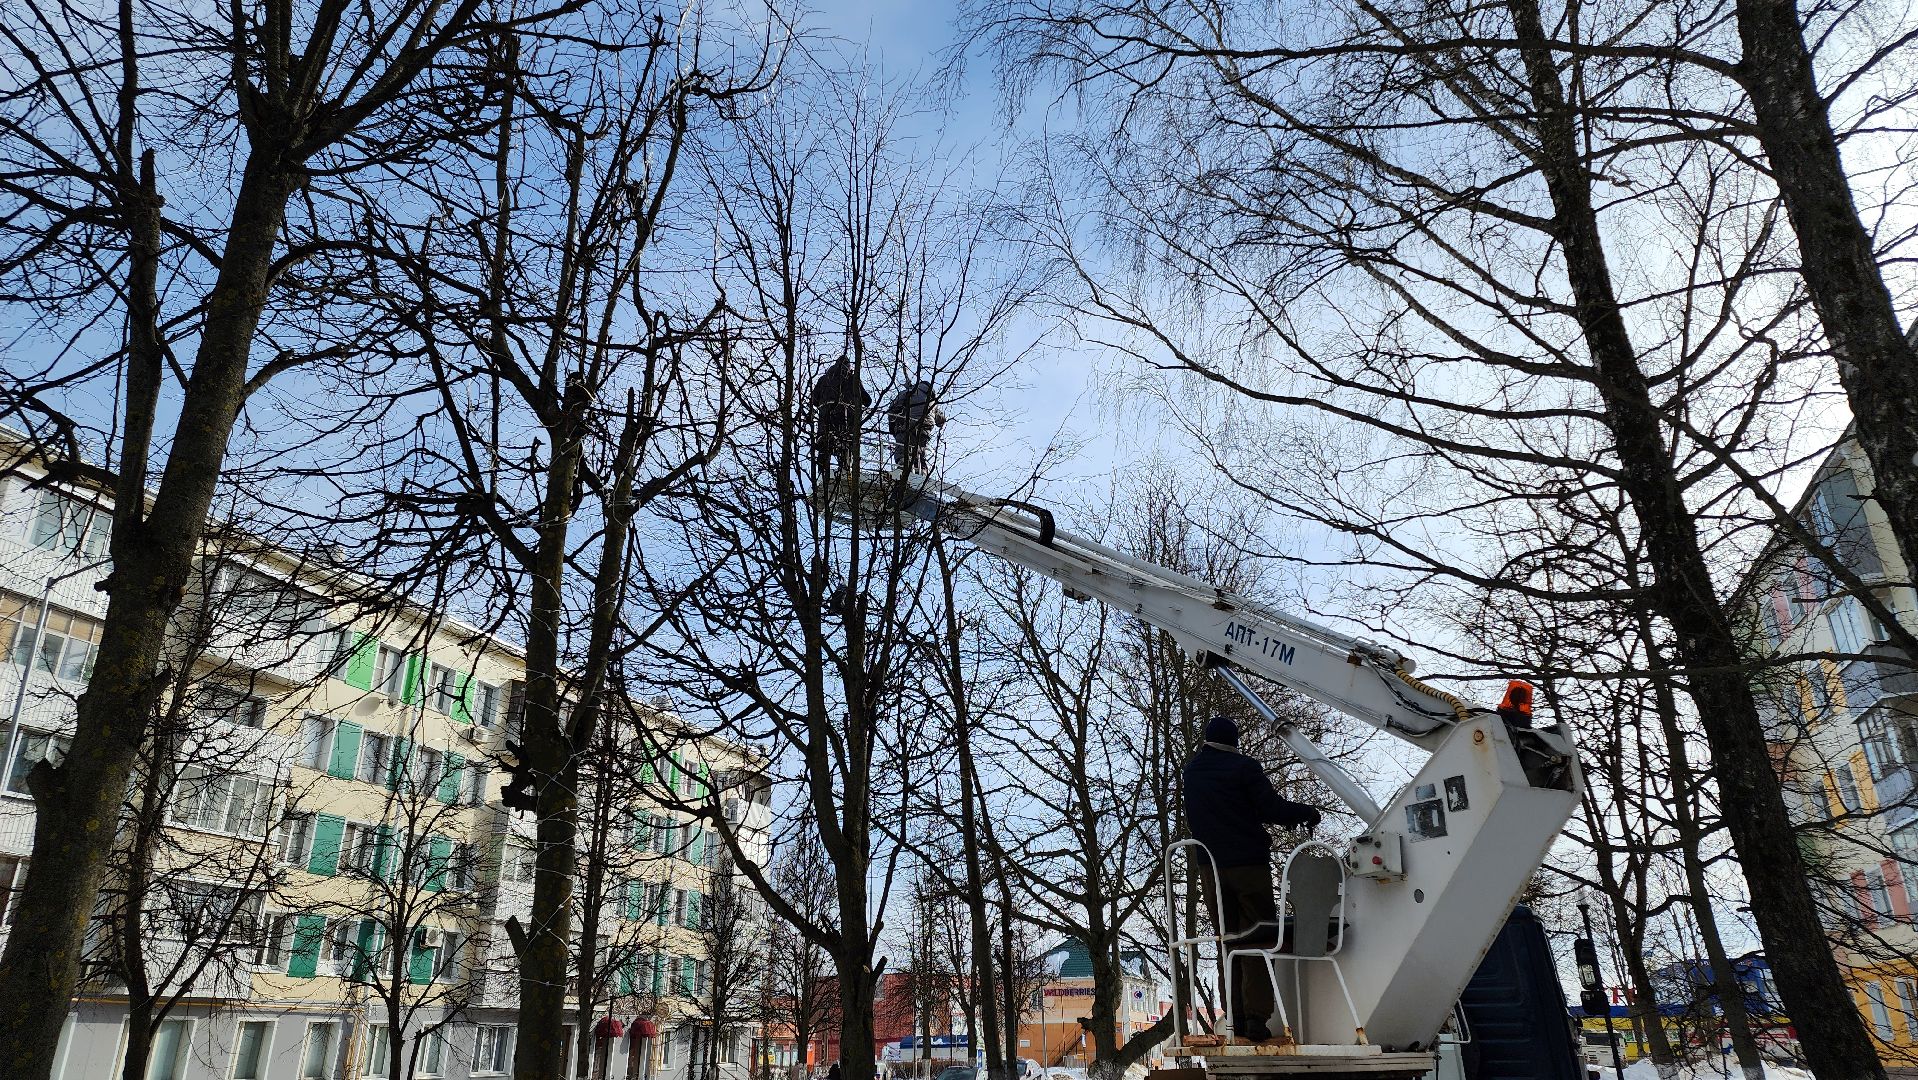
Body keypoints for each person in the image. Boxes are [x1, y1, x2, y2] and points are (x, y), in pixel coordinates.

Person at [1182, 714, 1322, 1043]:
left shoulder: (1192, 772)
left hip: (1211, 870)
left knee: (1227, 943)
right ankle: (1257, 1019)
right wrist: (1304, 813)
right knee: (1257, 940)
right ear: (1234, 742)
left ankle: (1236, 1019)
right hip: (1247, 866)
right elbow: (1270, 808)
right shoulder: (1244, 768)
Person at [812, 355, 870, 477]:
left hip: (825, 418)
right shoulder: (853, 379)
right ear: (848, 366)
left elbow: (814, 399)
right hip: (846, 418)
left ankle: (821, 473)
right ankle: (845, 470)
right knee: (845, 445)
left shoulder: (823, 379)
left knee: (824, 444)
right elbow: (867, 400)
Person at [886, 379, 944, 473]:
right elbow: (940, 421)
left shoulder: (907, 392)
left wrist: (893, 426)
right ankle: (922, 471)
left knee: (903, 448)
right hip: (925, 428)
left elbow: (894, 409)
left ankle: (903, 467)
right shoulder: (932, 400)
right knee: (920, 451)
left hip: (907, 425)